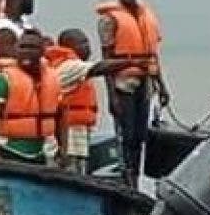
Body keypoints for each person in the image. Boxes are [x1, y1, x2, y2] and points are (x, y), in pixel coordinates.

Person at [97, 0, 170, 185]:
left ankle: (135, 178)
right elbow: (106, 58)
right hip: (123, 83)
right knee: (126, 134)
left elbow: (152, 55)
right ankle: (127, 176)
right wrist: (112, 96)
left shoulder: (146, 15)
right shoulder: (109, 19)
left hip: (145, 81)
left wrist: (162, 85)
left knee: (140, 134)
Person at [45, 29, 144, 173]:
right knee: (71, 171)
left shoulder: (73, 66)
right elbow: (100, 67)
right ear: (68, 46)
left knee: (80, 170)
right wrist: (131, 62)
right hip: (69, 135)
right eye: (82, 43)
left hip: (79, 132)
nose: (88, 47)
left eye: (87, 43)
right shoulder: (69, 66)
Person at [0, 30, 64, 164]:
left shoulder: (53, 79)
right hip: (9, 150)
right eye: (22, 47)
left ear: (42, 51)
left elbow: (61, 117)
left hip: (42, 151)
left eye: (32, 47)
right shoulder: (2, 79)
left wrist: (63, 149)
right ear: (15, 50)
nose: (26, 51)